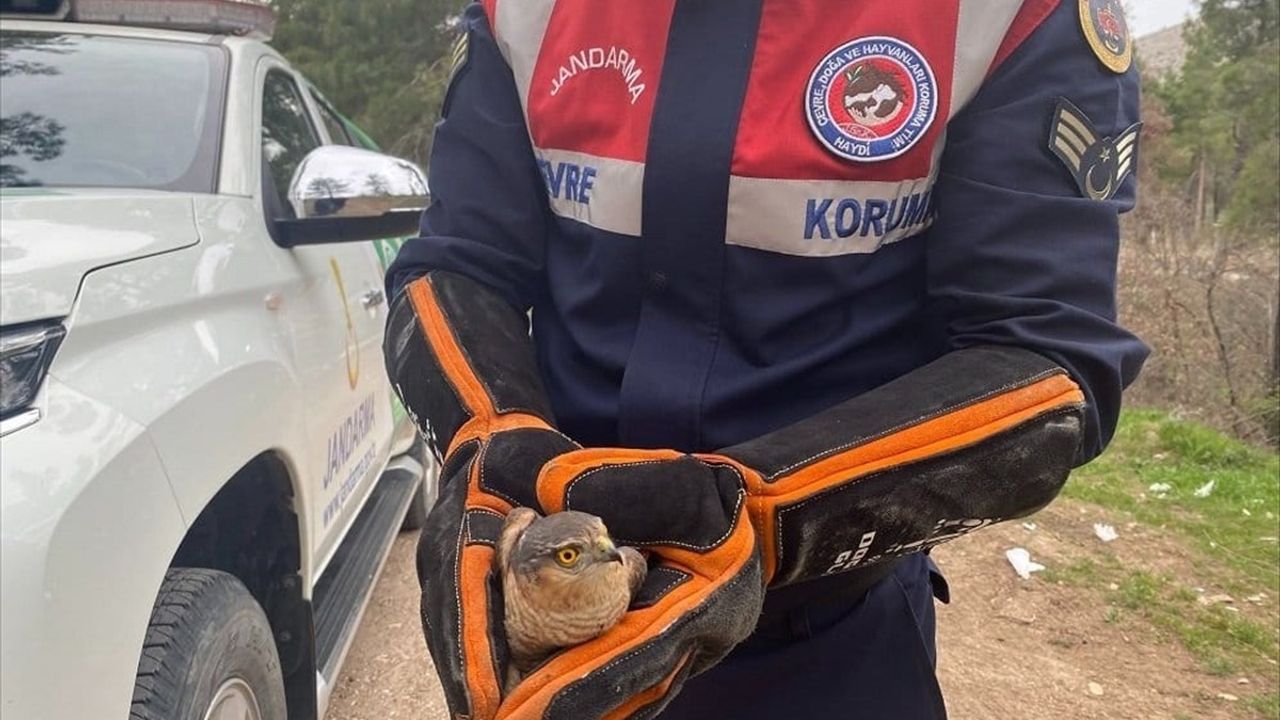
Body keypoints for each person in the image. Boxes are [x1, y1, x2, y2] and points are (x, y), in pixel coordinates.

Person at [383, 0, 1148, 717]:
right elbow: (457, 265)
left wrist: (756, 520)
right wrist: (490, 440)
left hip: (832, 639)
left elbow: (1047, 362)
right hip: (561, 622)